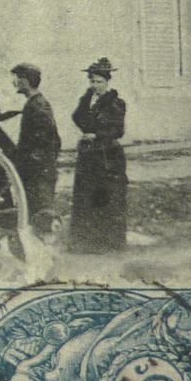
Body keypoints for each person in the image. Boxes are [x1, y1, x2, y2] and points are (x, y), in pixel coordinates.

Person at [69, 58, 128, 254]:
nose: (95, 86)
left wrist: (97, 134)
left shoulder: (116, 103)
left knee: (106, 197)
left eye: (99, 82)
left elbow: (118, 130)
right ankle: (87, 242)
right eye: (92, 81)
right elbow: (76, 117)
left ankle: (109, 243)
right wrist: (86, 99)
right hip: (88, 154)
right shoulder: (88, 100)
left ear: (107, 82)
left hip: (108, 155)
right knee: (86, 196)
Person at [10, 62, 60, 235]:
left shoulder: (38, 105)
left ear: (25, 81)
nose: (14, 83)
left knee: (42, 215)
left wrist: (31, 162)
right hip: (37, 170)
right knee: (35, 216)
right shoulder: (34, 103)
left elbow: (48, 140)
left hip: (39, 173)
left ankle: (46, 255)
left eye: (16, 79)